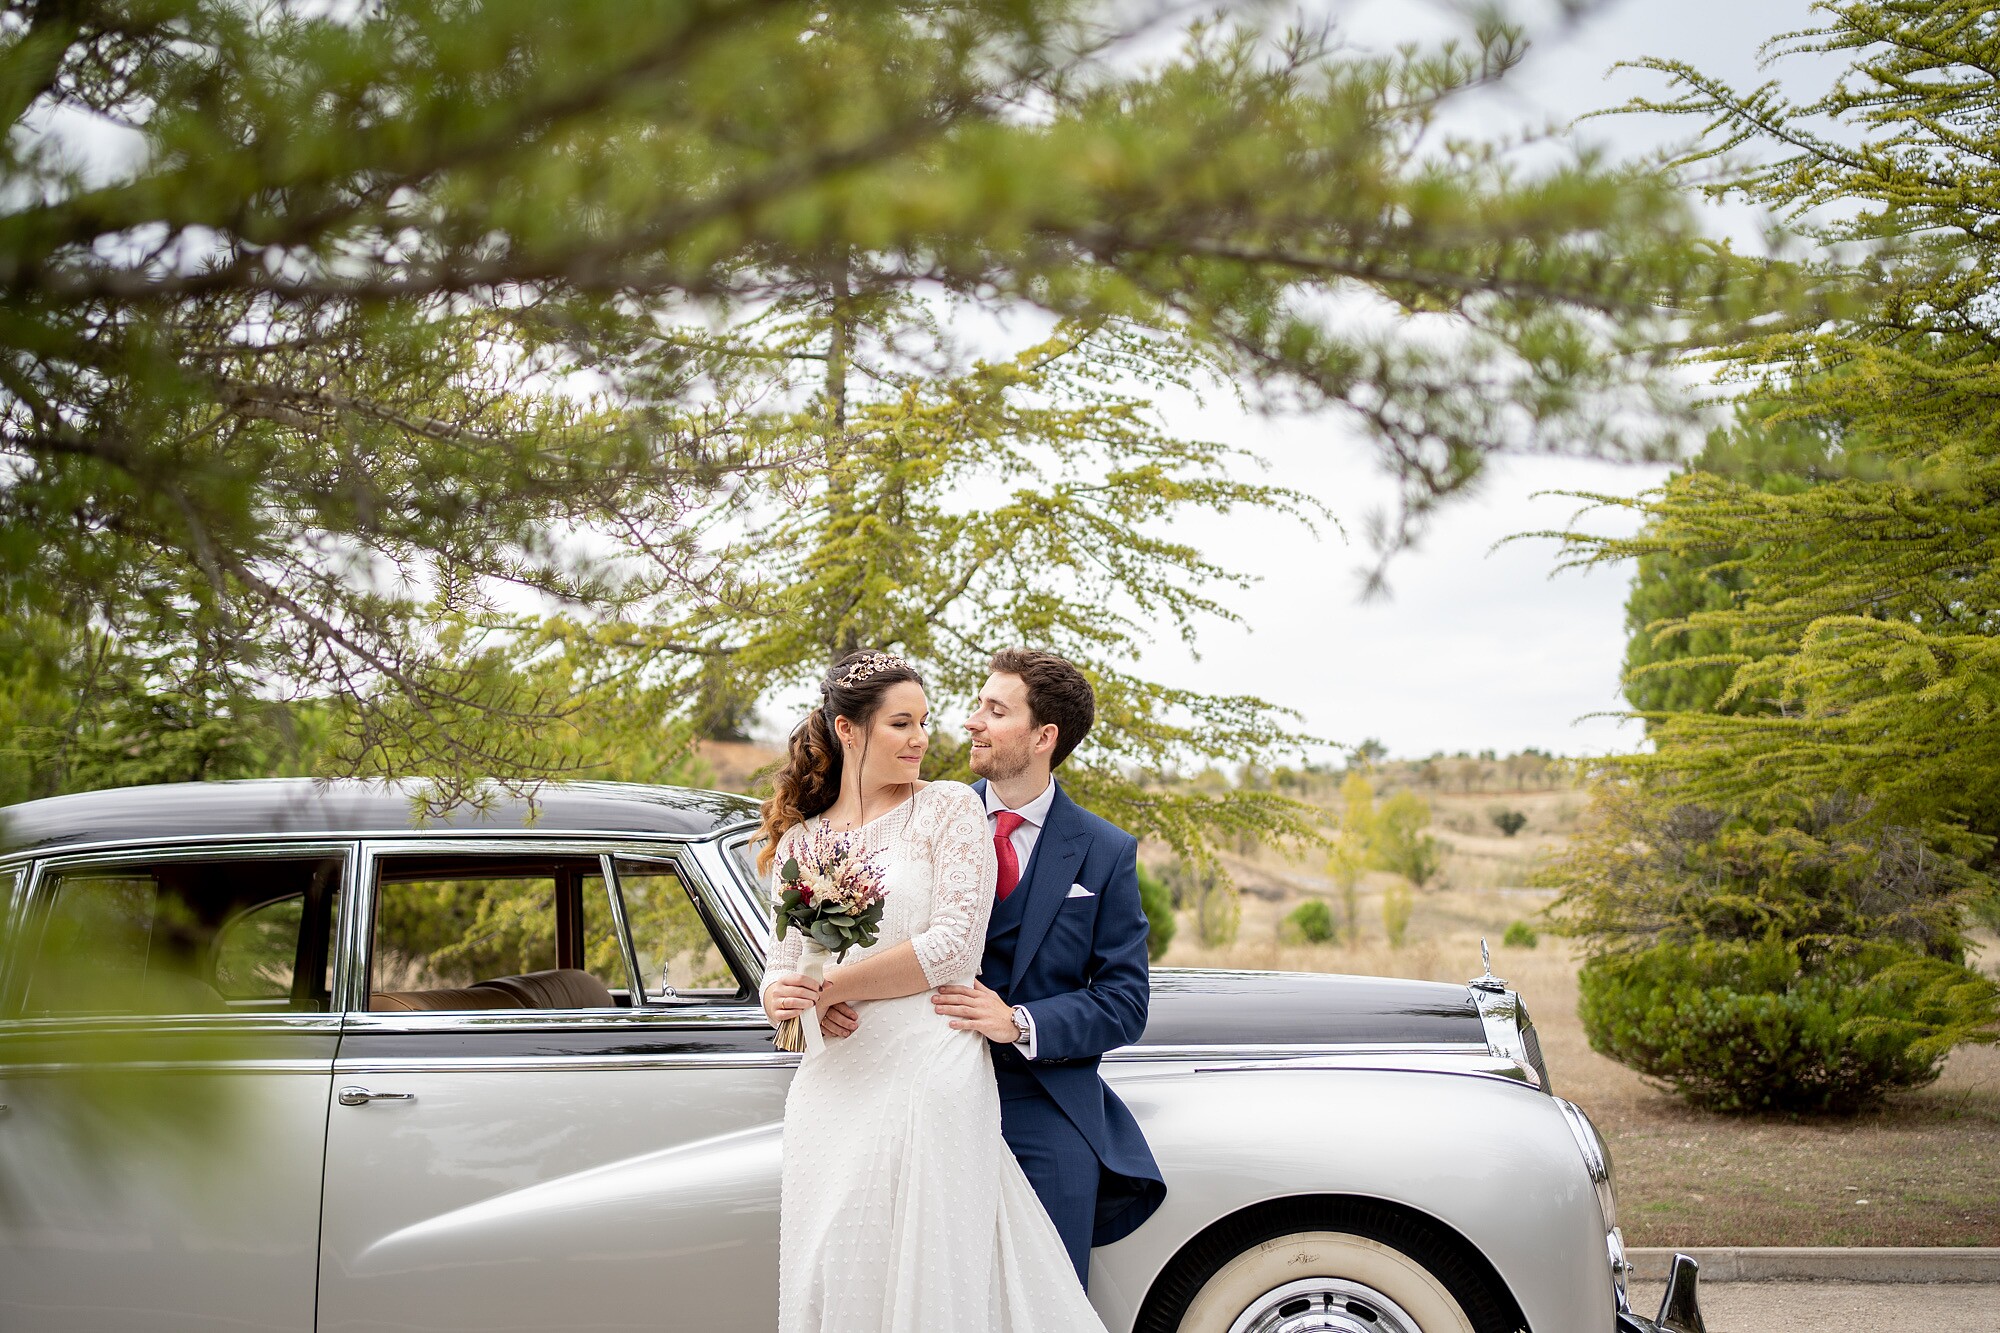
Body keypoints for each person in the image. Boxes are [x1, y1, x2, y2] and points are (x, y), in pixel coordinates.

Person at [758, 649, 1108, 1332]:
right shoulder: (802, 839)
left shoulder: (949, 809)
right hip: (832, 1083)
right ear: (848, 730)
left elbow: (953, 948)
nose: (922, 738)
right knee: (834, 1261)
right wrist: (781, 999)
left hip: (926, 1069)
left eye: (924, 721)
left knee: (925, 1269)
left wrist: (832, 984)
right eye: (901, 723)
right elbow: (782, 964)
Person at [934, 648, 1166, 1285]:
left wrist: (1019, 1021)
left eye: (994, 710)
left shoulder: (1105, 850)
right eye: (979, 704)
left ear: (1043, 737)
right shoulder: (928, 820)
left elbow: (1124, 1001)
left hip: (1043, 1099)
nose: (971, 721)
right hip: (924, 1082)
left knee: (1049, 1293)